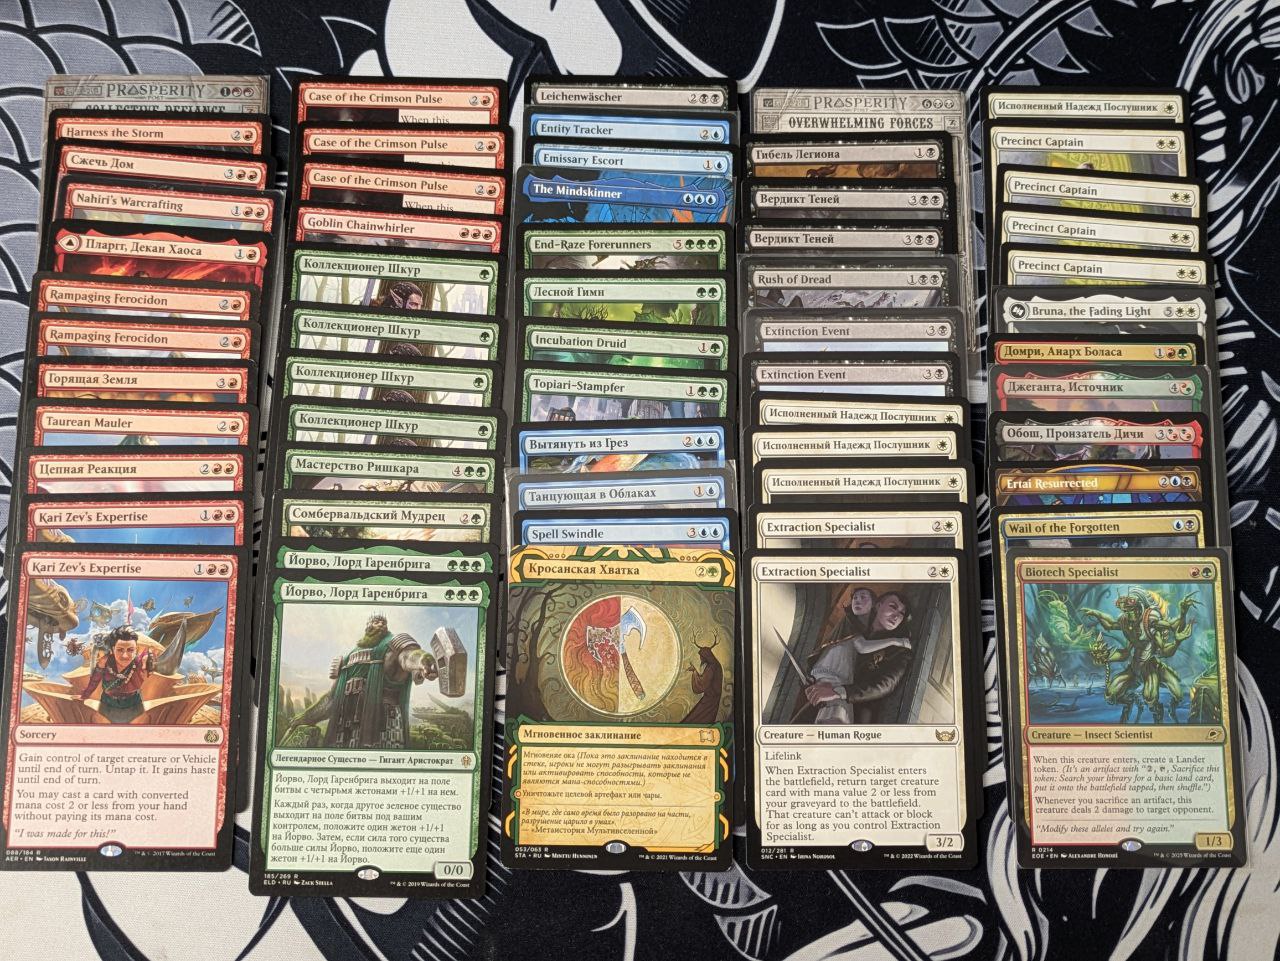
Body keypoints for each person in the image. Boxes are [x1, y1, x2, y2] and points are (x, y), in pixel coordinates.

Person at [799, 591, 914, 724]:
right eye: (893, 607)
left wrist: (837, 692)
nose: (896, 616)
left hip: (854, 705)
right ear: (878, 605)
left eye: (901, 613)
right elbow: (828, 652)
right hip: (821, 690)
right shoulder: (855, 623)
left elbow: (884, 685)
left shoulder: (899, 651)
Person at [79, 626, 154, 723]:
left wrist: (148, 657)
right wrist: (85, 695)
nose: (125, 656)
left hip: (134, 704)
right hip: (107, 704)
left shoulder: (140, 662)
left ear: (136, 649)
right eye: (120, 650)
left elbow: (148, 658)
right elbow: (94, 680)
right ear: (113, 649)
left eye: (130, 650)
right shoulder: (104, 662)